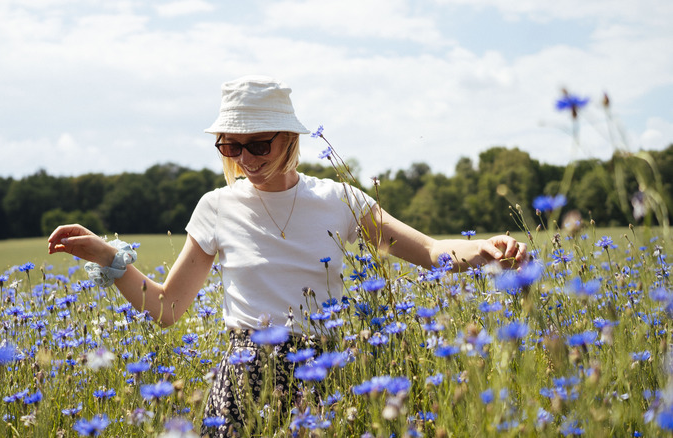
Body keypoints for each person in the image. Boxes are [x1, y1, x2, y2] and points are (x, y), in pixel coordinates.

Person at [47, 75, 529, 436]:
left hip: (328, 371)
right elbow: (166, 308)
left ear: (289, 138)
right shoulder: (215, 207)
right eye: (231, 146)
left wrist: (485, 250)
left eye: (258, 144)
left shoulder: (339, 200)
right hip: (244, 375)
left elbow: (430, 250)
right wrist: (108, 257)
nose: (245, 159)